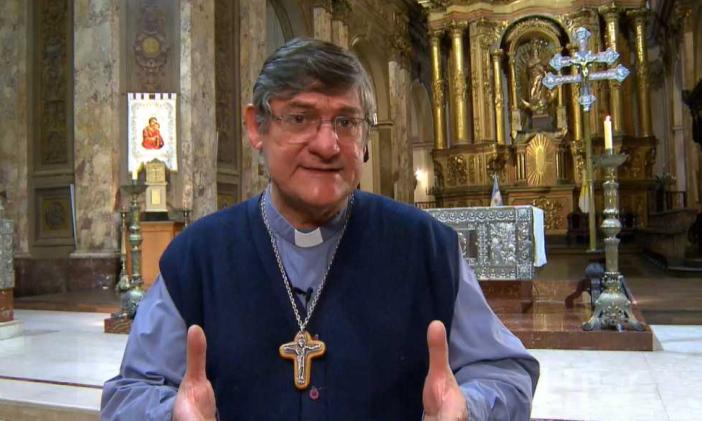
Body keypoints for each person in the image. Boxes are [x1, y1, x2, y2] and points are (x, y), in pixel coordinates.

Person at [102, 37, 539, 420]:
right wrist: (169, 416)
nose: (327, 145)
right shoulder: (197, 256)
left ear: (365, 141)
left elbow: (505, 372)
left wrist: (468, 408)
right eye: (300, 118)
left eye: (346, 122)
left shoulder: (426, 247)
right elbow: (129, 393)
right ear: (256, 127)